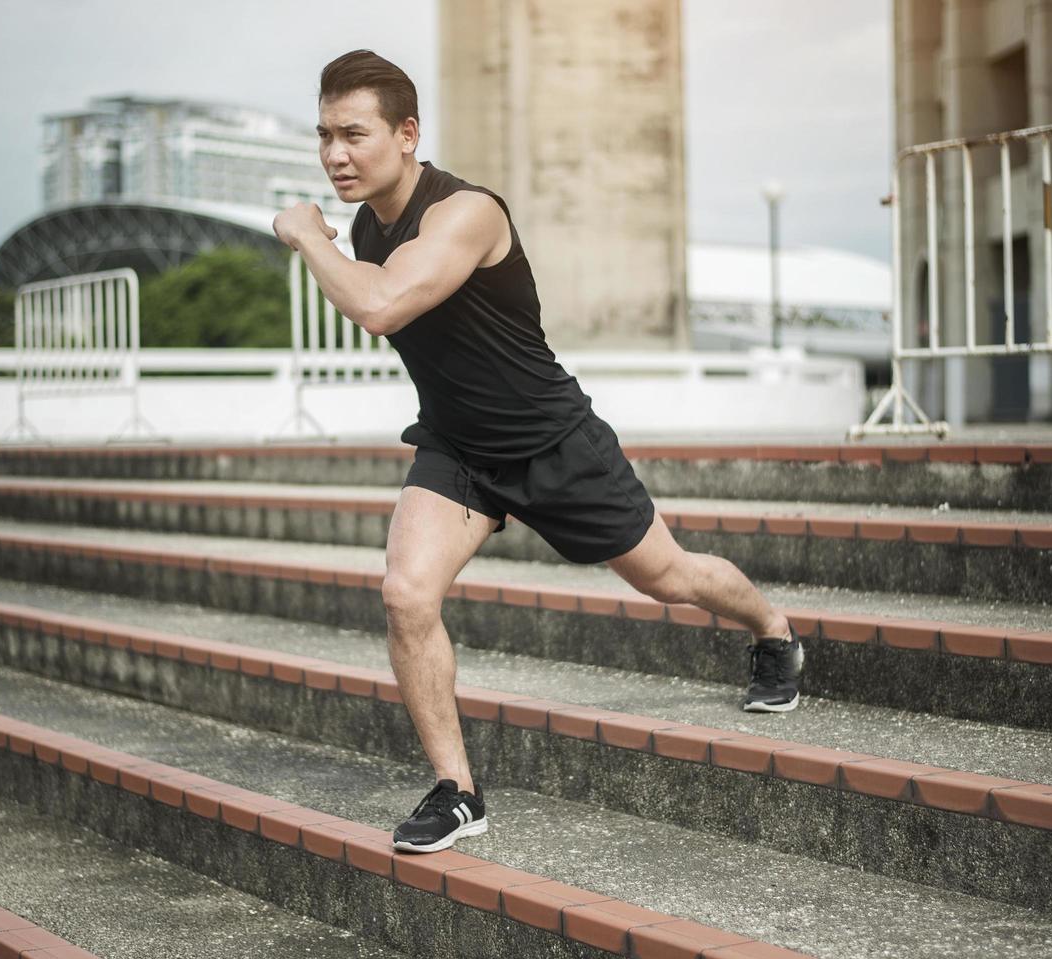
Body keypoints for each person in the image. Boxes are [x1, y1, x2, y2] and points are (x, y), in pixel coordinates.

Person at [274, 50, 803, 854]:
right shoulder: (369, 224)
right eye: (324, 136)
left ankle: (772, 627)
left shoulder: (467, 213)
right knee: (406, 593)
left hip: (552, 441)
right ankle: (458, 792)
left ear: (407, 134)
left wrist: (308, 237)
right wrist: (335, 242)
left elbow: (379, 306)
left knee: (670, 578)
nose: (334, 155)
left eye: (353, 134)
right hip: (458, 448)